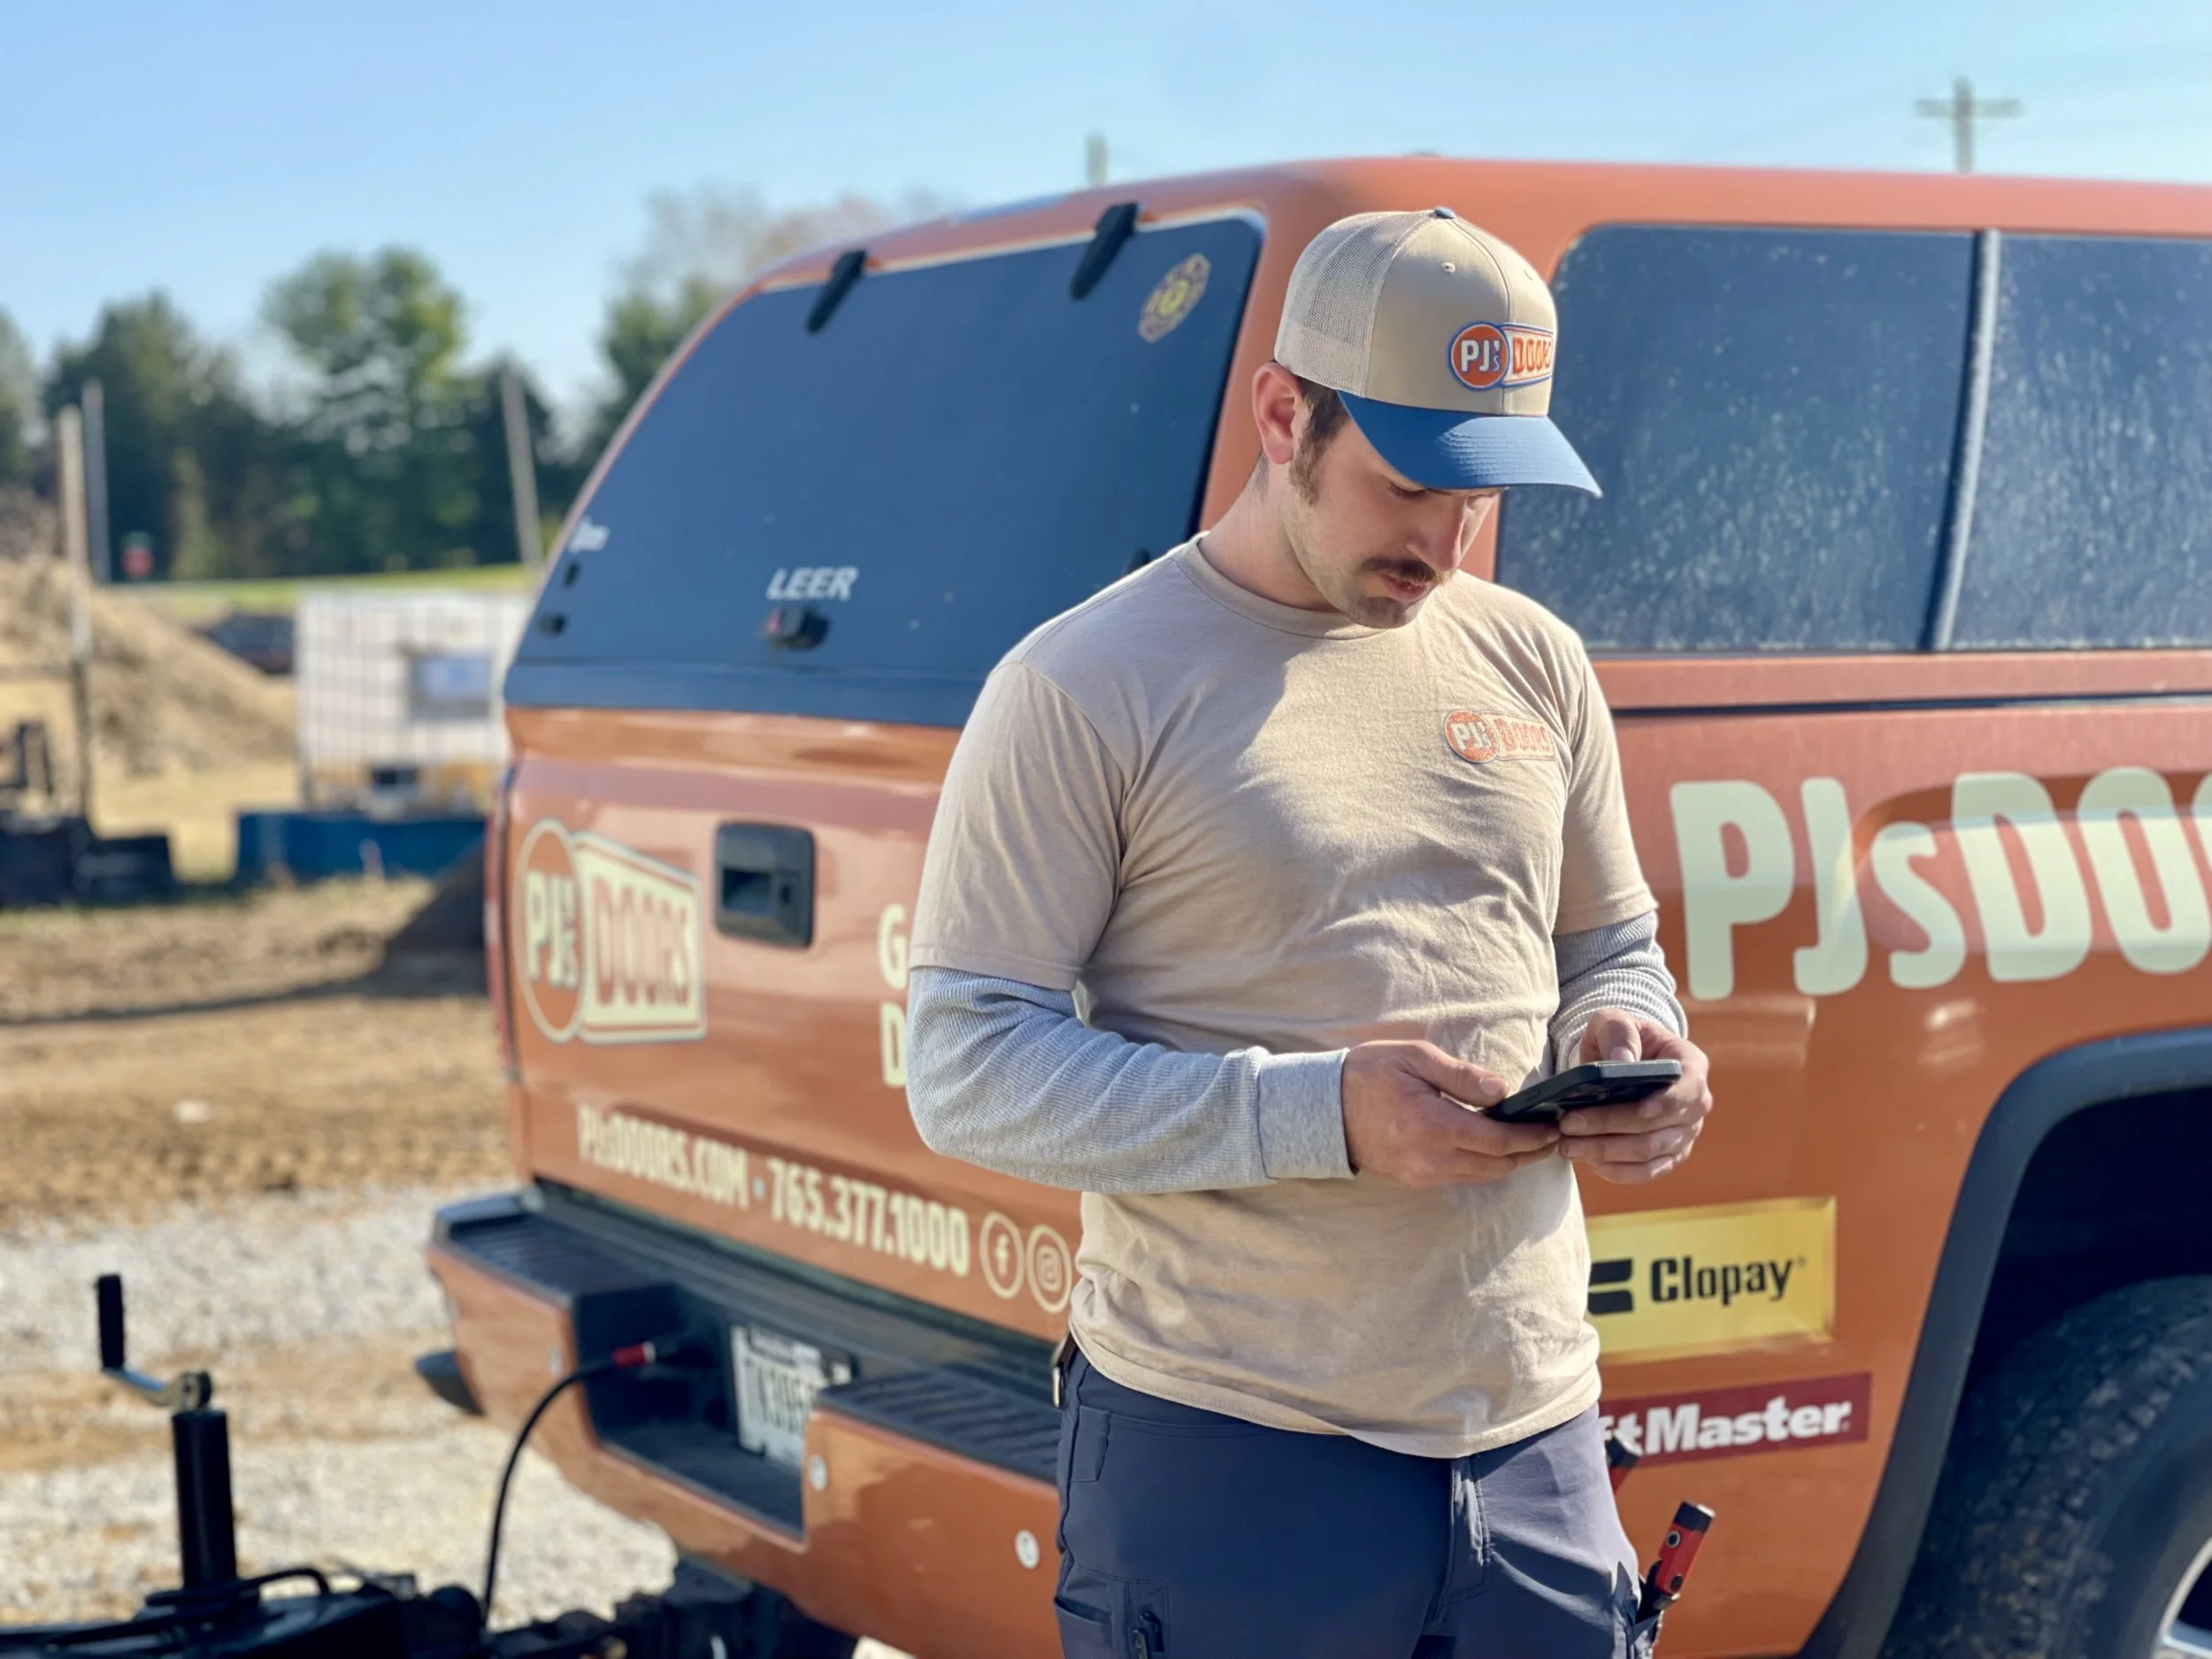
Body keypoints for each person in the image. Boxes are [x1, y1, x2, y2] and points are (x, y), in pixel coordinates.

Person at [905, 209, 1715, 1658]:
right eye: (1411, 484)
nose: (1447, 540)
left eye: (1482, 496)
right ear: (1284, 414)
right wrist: (1319, 1115)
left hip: (1535, 1435)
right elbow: (963, 1064)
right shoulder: (1088, 683)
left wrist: (1631, 1043)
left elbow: (1614, 944)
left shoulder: (1533, 658)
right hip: (1232, 1448)